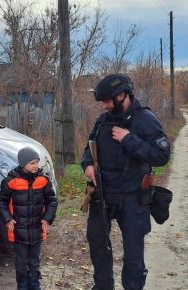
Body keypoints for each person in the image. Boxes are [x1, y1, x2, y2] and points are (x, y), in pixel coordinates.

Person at [81, 74, 171, 290]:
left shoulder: (145, 118)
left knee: (133, 254)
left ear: (121, 96)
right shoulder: (103, 120)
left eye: (107, 100)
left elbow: (162, 155)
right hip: (103, 194)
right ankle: (103, 286)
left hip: (133, 197)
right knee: (97, 244)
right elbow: (89, 146)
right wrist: (87, 165)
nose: (104, 105)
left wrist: (129, 139)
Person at [0, 147, 58, 290]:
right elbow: (1, 202)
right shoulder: (10, 181)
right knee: (21, 264)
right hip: (18, 232)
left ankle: (35, 286)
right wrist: (7, 219)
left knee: (35, 263)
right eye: (32, 163)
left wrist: (48, 218)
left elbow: (51, 200)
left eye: (37, 162)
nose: (36, 166)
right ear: (23, 164)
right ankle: (22, 286)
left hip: (37, 231)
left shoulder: (43, 180)